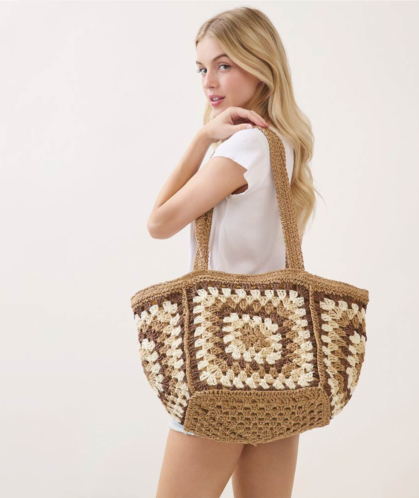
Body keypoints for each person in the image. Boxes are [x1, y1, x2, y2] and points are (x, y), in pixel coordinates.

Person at [145, 6, 320, 498]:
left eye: (224, 65)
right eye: (202, 68)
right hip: (280, 367)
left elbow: (159, 223)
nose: (209, 81)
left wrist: (203, 137)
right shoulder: (283, 143)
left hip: (221, 362)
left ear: (261, 63)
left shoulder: (245, 147)